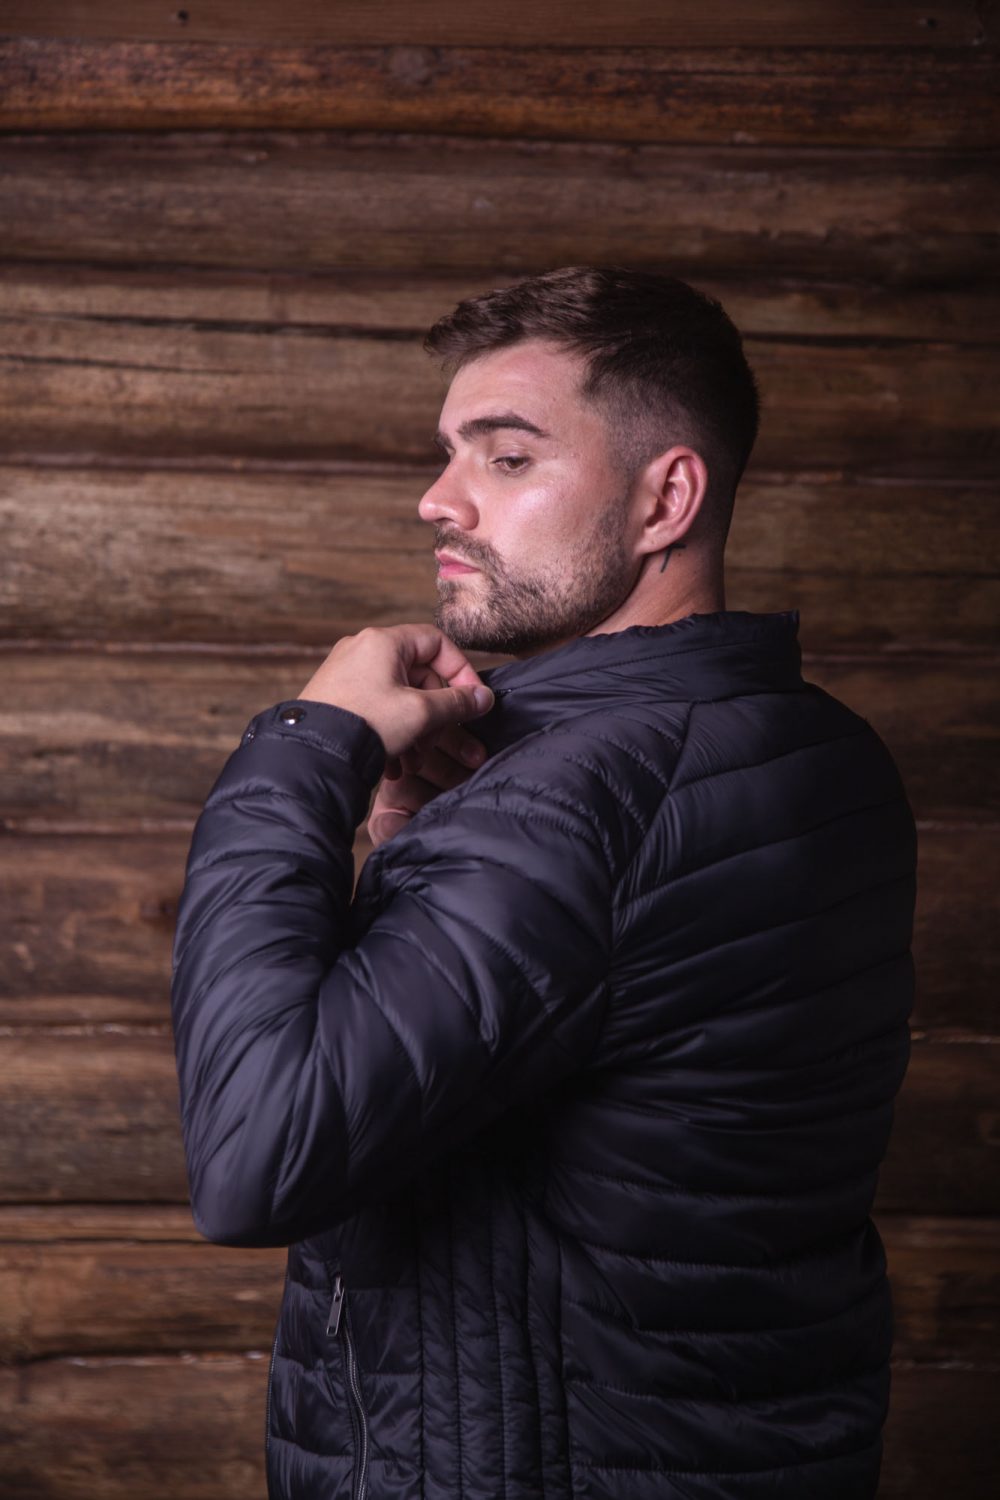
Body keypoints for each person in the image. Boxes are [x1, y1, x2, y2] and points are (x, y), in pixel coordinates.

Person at [170, 266, 917, 1500]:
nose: (438, 499)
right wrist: (412, 867)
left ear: (665, 498)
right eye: (448, 455)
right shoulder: (815, 745)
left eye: (506, 458)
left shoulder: (578, 796)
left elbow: (259, 1156)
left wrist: (305, 747)